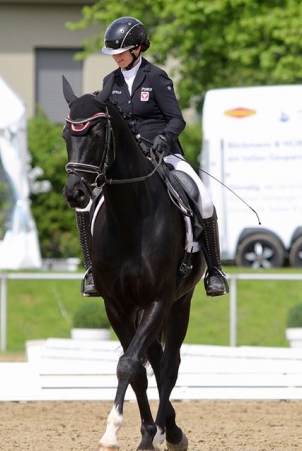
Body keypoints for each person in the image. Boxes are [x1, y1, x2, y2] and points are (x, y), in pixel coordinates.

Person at [76, 16, 229, 297]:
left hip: (164, 154)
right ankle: (91, 272)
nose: (116, 57)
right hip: (125, 164)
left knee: (204, 201)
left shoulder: (156, 78)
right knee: (85, 206)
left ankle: (215, 271)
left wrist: (162, 139)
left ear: (138, 49)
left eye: (121, 51)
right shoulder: (110, 82)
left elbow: (177, 120)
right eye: (113, 53)